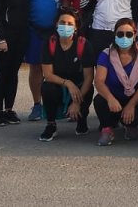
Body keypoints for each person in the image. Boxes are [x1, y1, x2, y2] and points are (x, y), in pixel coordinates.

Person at [20, 0, 69, 121]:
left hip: (58, 30)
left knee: (60, 68)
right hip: (34, 28)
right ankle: (37, 105)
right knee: (36, 68)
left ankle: (60, 105)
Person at [37, 9, 95, 142]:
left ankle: (82, 119)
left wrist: (76, 102)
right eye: (62, 22)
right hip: (59, 84)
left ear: (76, 27)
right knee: (47, 87)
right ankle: (51, 124)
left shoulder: (84, 45)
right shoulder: (49, 43)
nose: (66, 26)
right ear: (56, 24)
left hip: (79, 86)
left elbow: (89, 78)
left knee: (89, 89)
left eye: (70, 24)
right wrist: (68, 83)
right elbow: (48, 74)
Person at [93, 17, 138, 146]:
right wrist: (110, 98)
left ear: (135, 35)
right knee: (99, 100)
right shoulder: (106, 54)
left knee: (134, 118)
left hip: (134, 99)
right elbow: (99, 81)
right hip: (113, 99)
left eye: (129, 34)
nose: (124, 37)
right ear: (115, 35)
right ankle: (107, 128)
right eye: (120, 34)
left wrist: (131, 105)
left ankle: (131, 125)